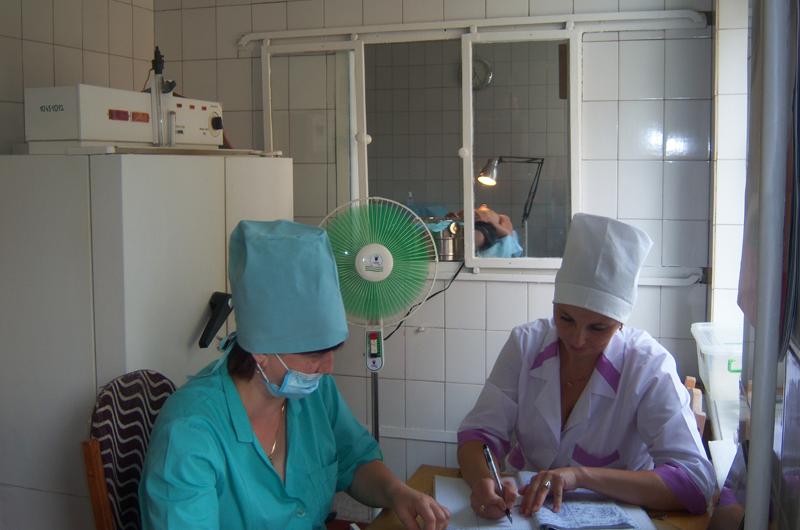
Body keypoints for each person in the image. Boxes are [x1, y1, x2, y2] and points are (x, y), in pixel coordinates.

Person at [139, 220, 451, 530]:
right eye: (314, 356)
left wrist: (398, 493)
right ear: (260, 349)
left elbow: (355, 460)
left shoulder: (315, 393)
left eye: (332, 351)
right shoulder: (190, 434)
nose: (328, 368)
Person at [456, 213, 716, 520]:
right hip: (524, 510)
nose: (577, 340)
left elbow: (695, 483)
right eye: (565, 319)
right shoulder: (525, 344)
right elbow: (479, 433)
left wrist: (580, 477)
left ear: (620, 322)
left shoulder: (648, 366)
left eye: (598, 328)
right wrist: (485, 480)